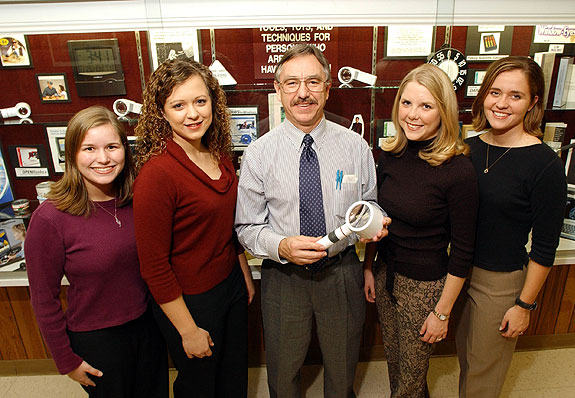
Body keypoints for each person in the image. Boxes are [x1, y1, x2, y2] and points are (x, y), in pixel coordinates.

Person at [235, 44, 390, 398]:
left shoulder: (355, 147)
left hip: (342, 273)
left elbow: (371, 204)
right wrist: (281, 245)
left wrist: (374, 221)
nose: (302, 93)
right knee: (283, 372)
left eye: (312, 82)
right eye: (291, 83)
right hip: (283, 277)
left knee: (342, 369)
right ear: (278, 90)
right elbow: (247, 228)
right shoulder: (259, 154)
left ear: (327, 87)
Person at [25, 106, 168, 398]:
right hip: (98, 339)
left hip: (148, 328)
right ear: (72, 155)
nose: (103, 158)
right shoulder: (50, 218)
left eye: (112, 147)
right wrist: (66, 360)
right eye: (89, 148)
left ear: (124, 151)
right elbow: (43, 298)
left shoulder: (137, 200)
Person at [133, 58, 255, 397]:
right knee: (199, 384)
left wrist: (242, 272)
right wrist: (187, 330)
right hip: (190, 300)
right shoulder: (157, 174)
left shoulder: (218, 154)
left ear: (213, 103)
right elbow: (153, 266)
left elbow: (227, 227)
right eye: (178, 105)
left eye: (200, 101)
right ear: (162, 112)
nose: (193, 114)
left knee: (232, 379)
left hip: (229, 284)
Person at [362, 64, 478, 397]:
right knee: (398, 368)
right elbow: (379, 216)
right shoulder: (391, 155)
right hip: (386, 275)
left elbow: (463, 251)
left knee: (410, 380)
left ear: (444, 111)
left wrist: (442, 313)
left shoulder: (458, 170)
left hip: (424, 288)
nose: (413, 115)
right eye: (407, 103)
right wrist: (369, 266)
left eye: (426, 106)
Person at [454, 56, 567, 397]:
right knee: (468, 362)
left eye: (515, 96)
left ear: (533, 102)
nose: (501, 103)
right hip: (458, 272)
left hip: (499, 283)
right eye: (495, 92)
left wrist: (523, 306)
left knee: (483, 378)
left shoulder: (544, 164)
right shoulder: (468, 148)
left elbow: (546, 247)